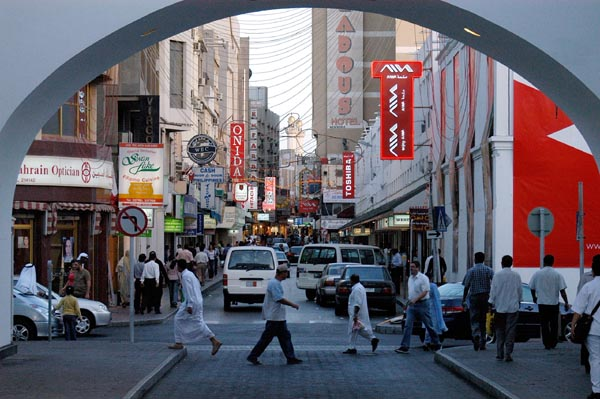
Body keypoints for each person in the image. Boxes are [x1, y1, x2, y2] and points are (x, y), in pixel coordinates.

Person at [247, 264, 303, 365]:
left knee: (284, 337)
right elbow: (279, 298)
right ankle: (253, 355)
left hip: (278, 317)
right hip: (274, 317)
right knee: (267, 339)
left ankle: (290, 357)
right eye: (286, 272)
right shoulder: (274, 284)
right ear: (281, 273)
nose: (287, 274)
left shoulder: (276, 283)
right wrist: (292, 305)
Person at [168, 259, 222, 354]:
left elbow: (189, 291)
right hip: (197, 300)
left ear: (179, 267)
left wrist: (190, 305)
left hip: (191, 302)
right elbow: (197, 287)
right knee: (196, 321)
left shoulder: (185, 276)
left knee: (179, 319)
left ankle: (179, 342)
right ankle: (213, 340)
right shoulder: (190, 274)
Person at [395, 261, 441, 354]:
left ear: (418, 268)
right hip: (412, 305)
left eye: (413, 267)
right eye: (410, 267)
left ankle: (437, 343)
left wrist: (416, 299)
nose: (411, 268)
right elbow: (411, 292)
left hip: (422, 304)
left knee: (429, 325)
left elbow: (425, 291)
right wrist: (408, 302)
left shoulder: (423, 278)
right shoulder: (410, 278)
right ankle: (405, 346)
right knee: (408, 325)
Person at [572, 255, 600, 399]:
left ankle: (597, 390)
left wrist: (573, 326)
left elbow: (578, 309)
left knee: (595, 359)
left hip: (593, 329)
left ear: (593, 271)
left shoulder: (589, 286)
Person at [529, 254, 570, 350]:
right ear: (553, 262)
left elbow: (531, 287)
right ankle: (553, 342)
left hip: (542, 303)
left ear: (544, 262)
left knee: (544, 324)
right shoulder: (557, 274)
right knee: (554, 324)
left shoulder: (537, 274)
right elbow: (562, 291)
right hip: (553, 303)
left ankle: (546, 343)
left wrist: (534, 298)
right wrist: (566, 302)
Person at [488, 255, 522, 362]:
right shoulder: (516, 276)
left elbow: (493, 291)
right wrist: (519, 301)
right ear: (511, 263)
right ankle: (508, 353)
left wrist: (490, 303)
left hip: (500, 308)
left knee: (499, 330)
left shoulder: (497, 275)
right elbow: (519, 291)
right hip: (513, 307)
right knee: (510, 331)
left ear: (502, 263)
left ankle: (499, 353)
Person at [462, 252, 494, 351]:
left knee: (474, 318)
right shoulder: (488, 270)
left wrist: (464, 299)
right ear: (483, 259)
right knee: (483, 319)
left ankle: (476, 335)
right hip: (485, 296)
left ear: (475, 259)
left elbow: (466, 286)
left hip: (474, 296)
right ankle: (483, 341)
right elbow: (495, 282)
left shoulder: (471, 271)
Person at [342, 274, 379, 354]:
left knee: (353, 330)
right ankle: (372, 339)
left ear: (352, 280)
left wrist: (355, 314)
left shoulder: (357, 289)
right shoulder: (360, 287)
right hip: (358, 313)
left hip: (357, 314)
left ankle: (352, 347)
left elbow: (357, 303)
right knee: (357, 329)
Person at [578, 257, 597, 375]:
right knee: (586, 342)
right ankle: (586, 364)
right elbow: (580, 294)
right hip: (588, 316)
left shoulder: (587, 278)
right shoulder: (586, 277)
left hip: (589, 314)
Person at [422, 269, 448, 350]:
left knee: (428, 326)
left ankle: (427, 342)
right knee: (433, 326)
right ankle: (434, 343)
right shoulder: (432, 286)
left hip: (426, 308)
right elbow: (437, 298)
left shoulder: (423, 286)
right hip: (433, 308)